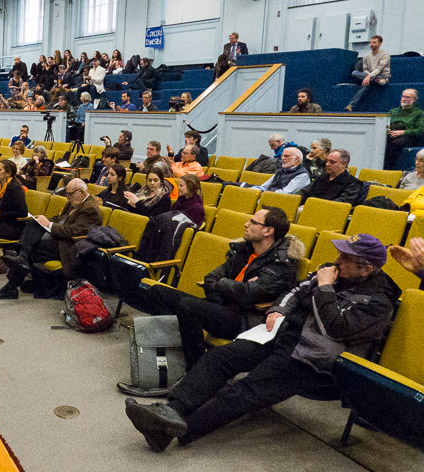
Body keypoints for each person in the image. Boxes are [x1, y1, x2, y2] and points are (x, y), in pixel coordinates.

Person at [125, 233, 399, 452]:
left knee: (242, 392)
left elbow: (337, 329)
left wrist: (325, 288)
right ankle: (172, 410)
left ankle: (174, 429)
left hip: (311, 360)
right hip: (284, 335)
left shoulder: (379, 302)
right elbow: (295, 291)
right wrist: (279, 309)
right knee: (220, 358)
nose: (337, 260)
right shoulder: (335, 273)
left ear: (366, 268)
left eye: (345, 257)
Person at [142, 206, 299, 367]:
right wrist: (226, 289)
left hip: (242, 319)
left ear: (268, 231)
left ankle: (196, 366)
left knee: (188, 306)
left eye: (253, 222)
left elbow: (248, 294)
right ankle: (176, 350)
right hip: (222, 306)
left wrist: (223, 284)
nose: (246, 224)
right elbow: (211, 278)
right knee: (157, 292)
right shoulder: (244, 250)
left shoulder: (281, 264)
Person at [0, 178, 103, 300]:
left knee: (32, 249)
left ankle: (12, 284)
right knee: (33, 225)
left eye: (70, 194)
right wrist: (45, 221)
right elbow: (60, 218)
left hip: (69, 245)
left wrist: (49, 225)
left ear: (80, 192)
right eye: (67, 193)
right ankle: (21, 260)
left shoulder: (90, 209)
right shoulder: (74, 201)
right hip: (59, 237)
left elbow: (73, 232)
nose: (67, 197)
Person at [346, 35, 390, 112]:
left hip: (382, 76)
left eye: (374, 42)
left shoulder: (385, 55)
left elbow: (379, 69)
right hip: (371, 77)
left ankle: (351, 106)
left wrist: (368, 77)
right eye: (370, 42)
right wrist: (368, 76)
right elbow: (365, 69)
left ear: (380, 43)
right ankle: (375, 79)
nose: (371, 44)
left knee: (366, 85)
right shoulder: (366, 56)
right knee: (354, 73)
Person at [243, 147, 311, 194]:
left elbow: (285, 193)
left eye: (286, 156)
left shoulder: (302, 175)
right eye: (282, 156)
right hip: (269, 196)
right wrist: (249, 191)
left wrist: (265, 194)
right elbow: (264, 187)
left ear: (297, 159)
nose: (282, 159)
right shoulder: (282, 171)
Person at [384, 89, 424, 167]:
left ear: (414, 100)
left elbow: (420, 130)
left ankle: (387, 167)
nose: (404, 99)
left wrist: (403, 132)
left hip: (409, 136)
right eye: (403, 96)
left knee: (396, 143)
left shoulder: (419, 113)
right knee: (382, 141)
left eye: (408, 97)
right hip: (392, 133)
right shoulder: (393, 111)